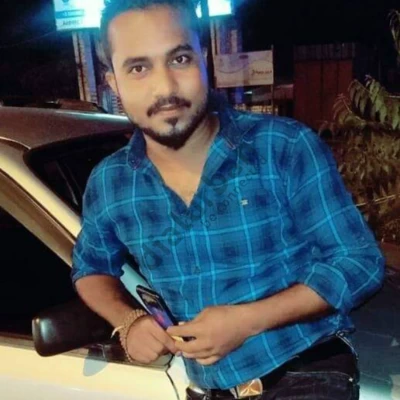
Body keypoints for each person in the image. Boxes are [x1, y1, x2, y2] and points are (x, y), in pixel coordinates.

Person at [71, 0, 385, 399]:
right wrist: (128, 321)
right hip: (209, 390)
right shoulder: (111, 183)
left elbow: (359, 262)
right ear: (113, 83)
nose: (165, 87)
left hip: (304, 371)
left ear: (203, 59)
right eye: (138, 68)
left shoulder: (282, 147)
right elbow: (90, 268)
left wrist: (248, 320)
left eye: (179, 59)